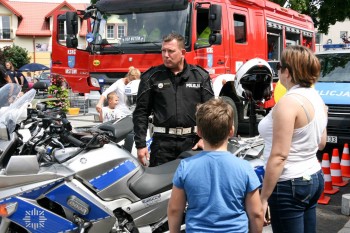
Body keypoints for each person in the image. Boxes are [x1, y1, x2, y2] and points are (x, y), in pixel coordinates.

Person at [258, 45, 328, 233]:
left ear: (287, 72)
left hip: (289, 182)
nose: (278, 71)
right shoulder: (316, 98)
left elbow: (280, 155)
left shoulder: (289, 102)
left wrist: (263, 198)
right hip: (313, 175)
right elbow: (321, 143)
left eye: (279, 66)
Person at [168, 98, 264, 233]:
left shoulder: (186, 167)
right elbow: (257, 213)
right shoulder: (244, 168)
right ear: (231, 131)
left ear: (199, 132)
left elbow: (174, 209)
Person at [133, 32, 214, 167]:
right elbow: (141, 113)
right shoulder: (151, 77)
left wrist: (206, 139)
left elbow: (212, 111)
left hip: (192, 144)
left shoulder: (200, 76)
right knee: (159, 187)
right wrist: (140, 145)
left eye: (170, 51)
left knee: (193, 186)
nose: (166, 55)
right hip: (162, 146)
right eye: (163, 51)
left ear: (182, 52)